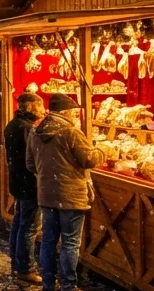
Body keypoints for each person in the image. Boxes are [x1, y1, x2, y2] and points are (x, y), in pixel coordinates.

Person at [27, 92, 103, 291]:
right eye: (74, 113)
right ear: (66, 112)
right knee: (70, 242)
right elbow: (89, 160)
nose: (75, 116)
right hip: (71, 196)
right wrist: (100, 151)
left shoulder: (35, 131)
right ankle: (69, 286)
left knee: (49, 240)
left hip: (46, 194)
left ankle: (48, 284)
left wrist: (47, 175)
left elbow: (30, 163)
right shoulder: (71, 132)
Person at [4, 92, 44, 284]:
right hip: (29, 182)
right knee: (28, 227)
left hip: (18, 181)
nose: (43, 110)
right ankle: (25, 268)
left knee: (20, 223)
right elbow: (32, 158)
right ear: (29, 107)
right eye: (39, 106)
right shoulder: (27, 128)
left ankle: (17, 262)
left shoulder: (13, 125)